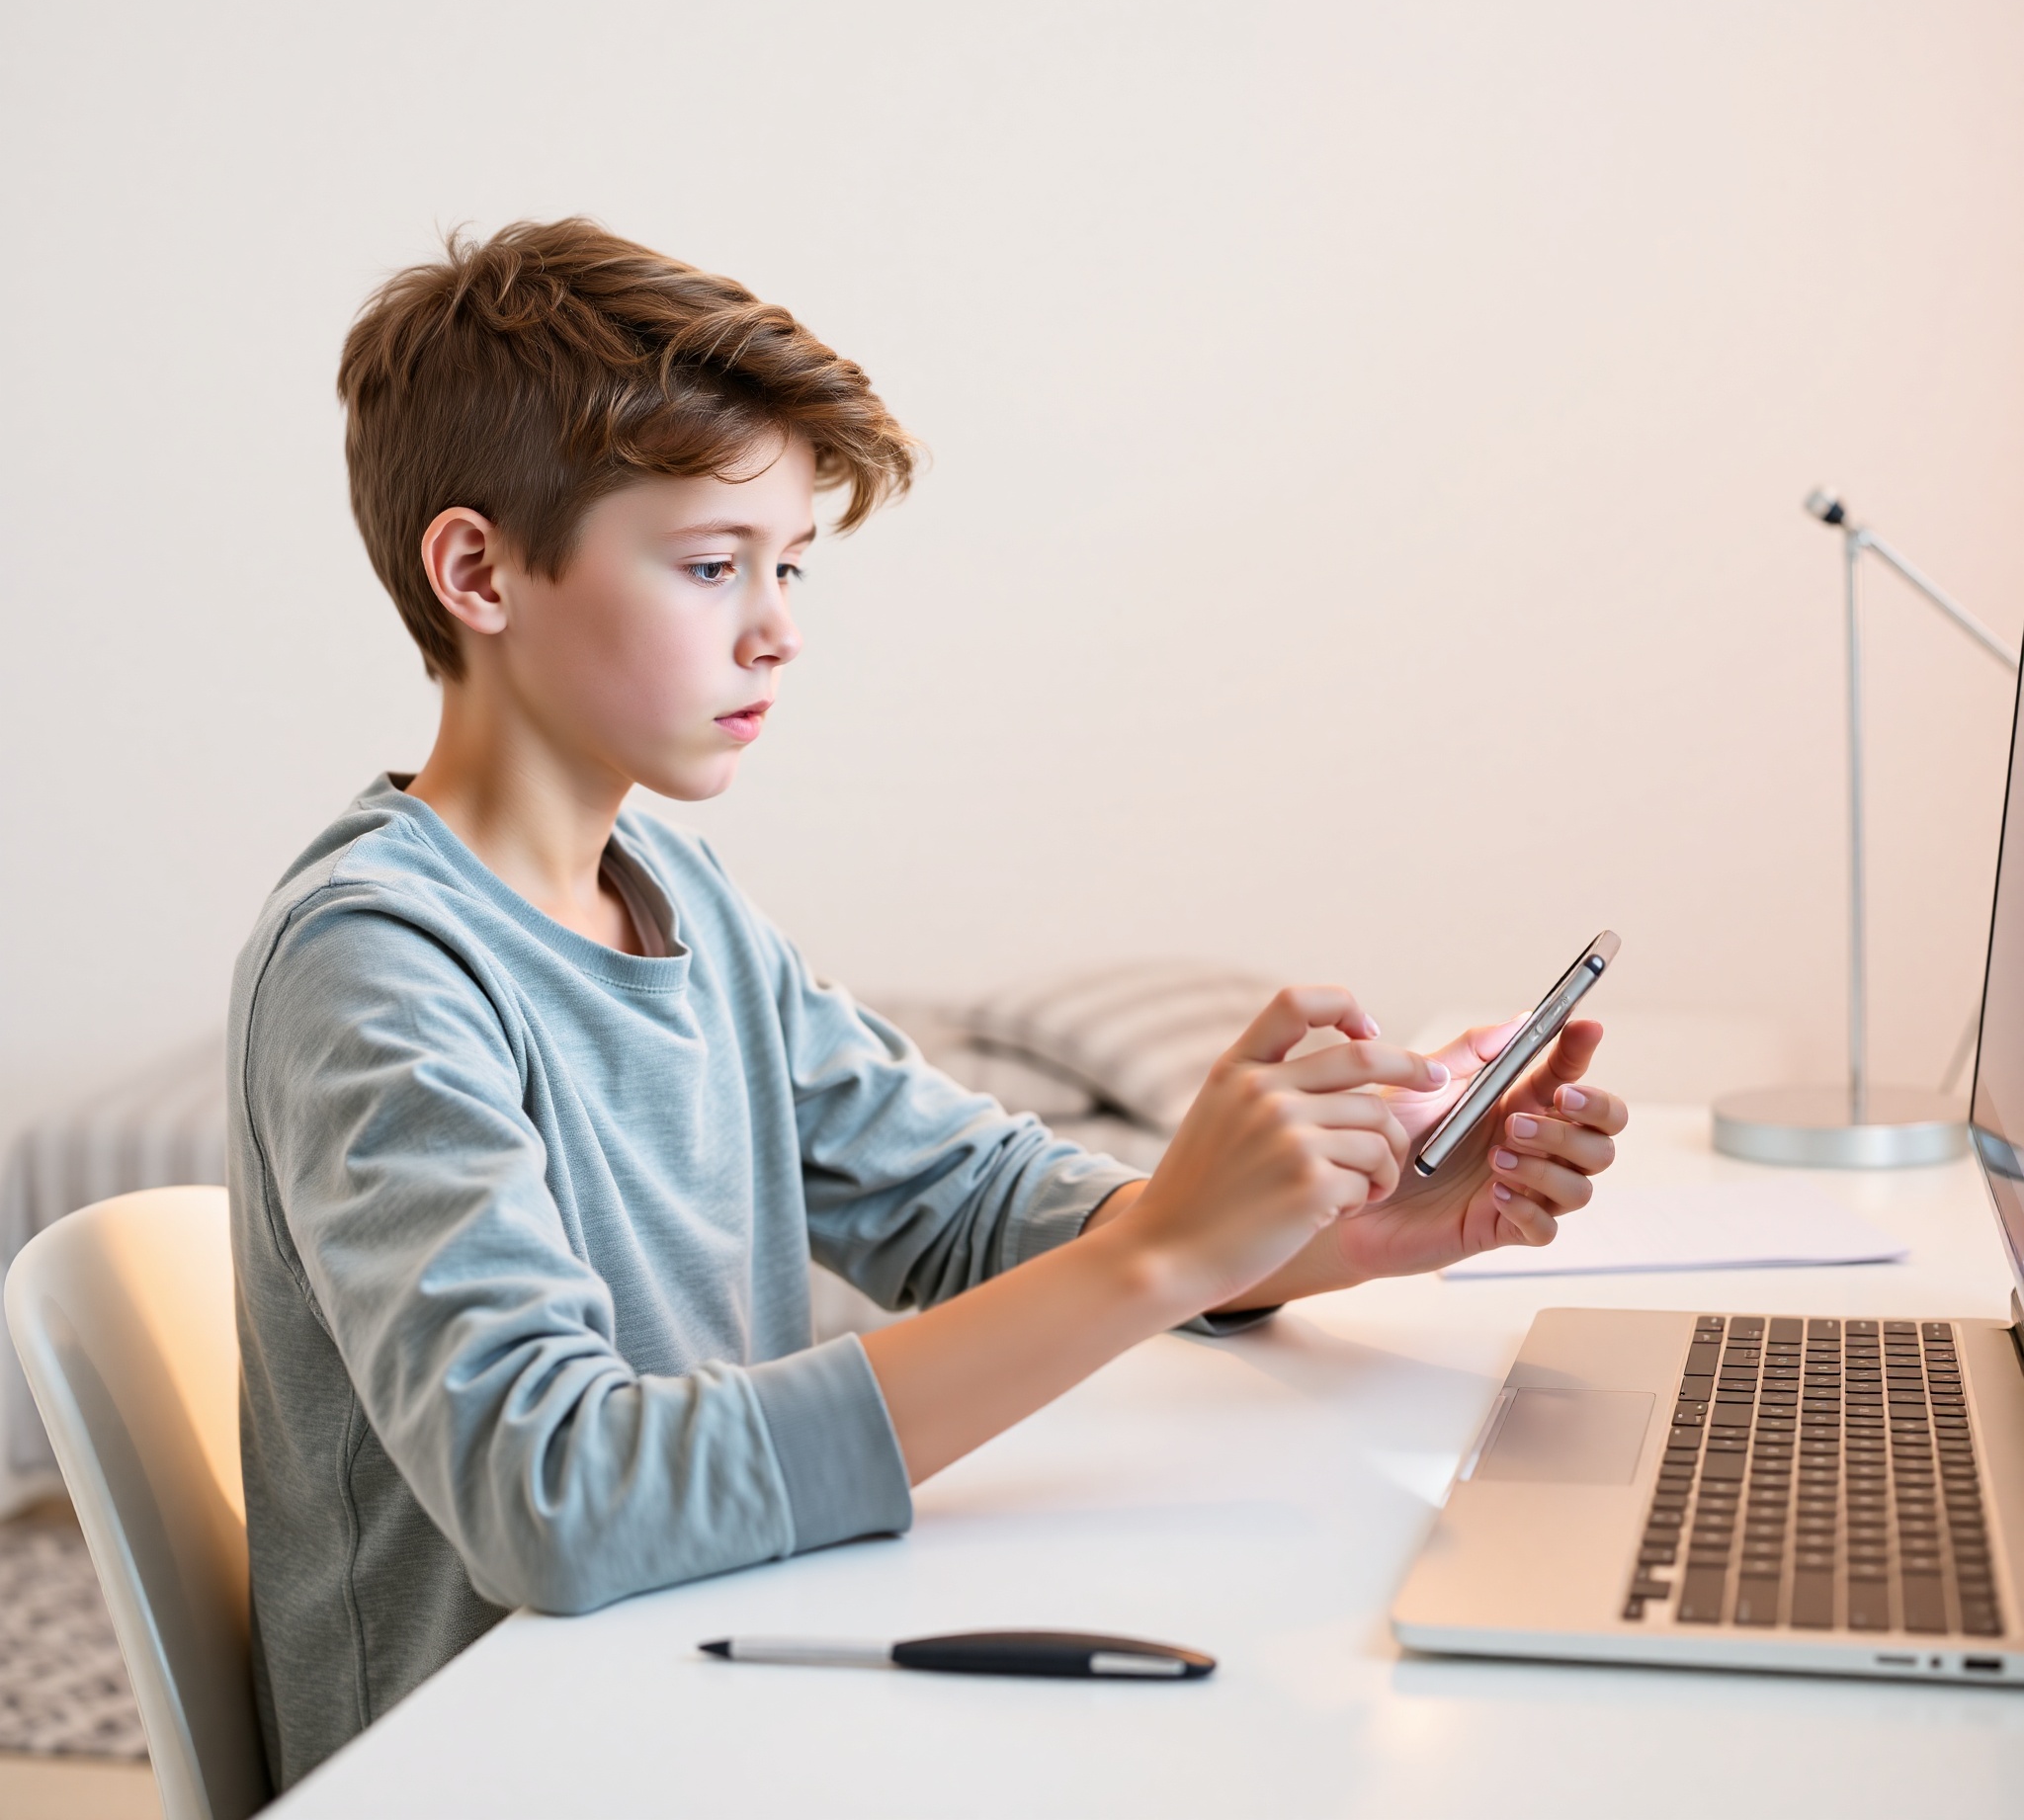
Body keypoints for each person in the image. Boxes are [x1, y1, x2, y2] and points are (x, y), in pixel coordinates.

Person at [227, 217, 1626, 1788]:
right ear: (478, 570)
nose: (780, 629)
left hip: (700, 1689)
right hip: (507, 1766)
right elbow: (557, 1498)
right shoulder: (378, 964)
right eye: (710, 567)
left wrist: (1305, 1237)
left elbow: (965, 1201)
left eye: (789, 567)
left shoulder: (677, 900)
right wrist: (1164, 1250)